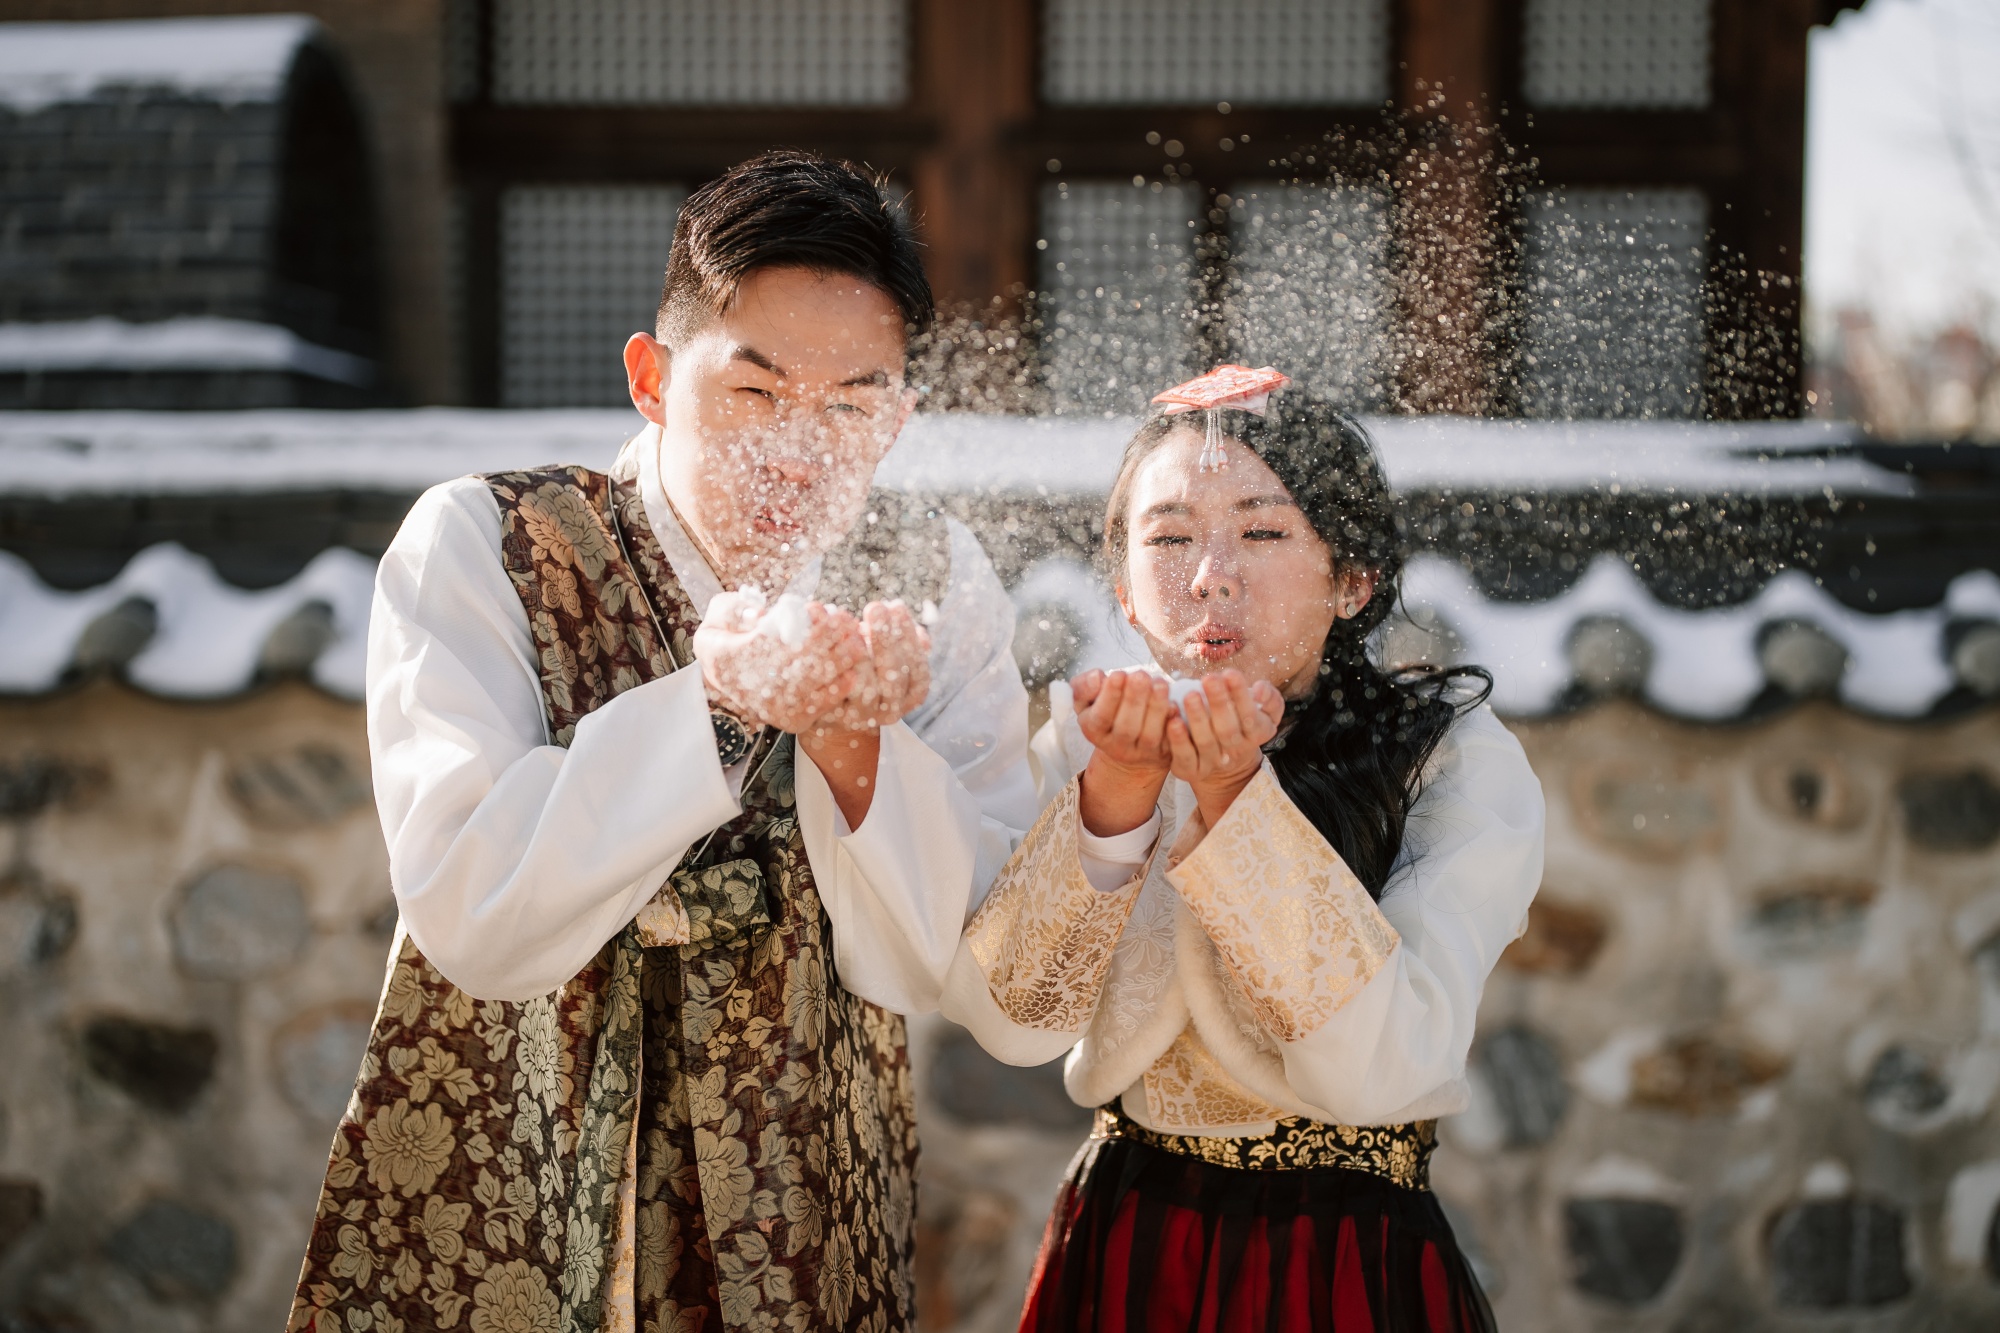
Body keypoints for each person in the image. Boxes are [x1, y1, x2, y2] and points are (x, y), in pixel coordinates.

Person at [290, 151, 1035, 1333]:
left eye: (850, 405)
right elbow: (470, 905)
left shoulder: (935, 581)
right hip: (508, 1178)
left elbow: (998, 966)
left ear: (899, 419)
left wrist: (860, 753)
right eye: (754, 393)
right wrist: (718, 703)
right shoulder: (487, 539)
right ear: (650, 377)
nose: (800, 449)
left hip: (804, 1198)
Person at [941, 370, 1545, 1332]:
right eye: (1170, 537)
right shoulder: (1096, 741)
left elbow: (1393, 1064)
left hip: (1342, 1258)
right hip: (1127, 1234)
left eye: (1262, 532)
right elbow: (1015, 1021)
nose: (1210, 573)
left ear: (1354, 580)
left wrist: (1233, 798)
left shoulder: (1450, 760)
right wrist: (1116, 799)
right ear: (1126, 594)